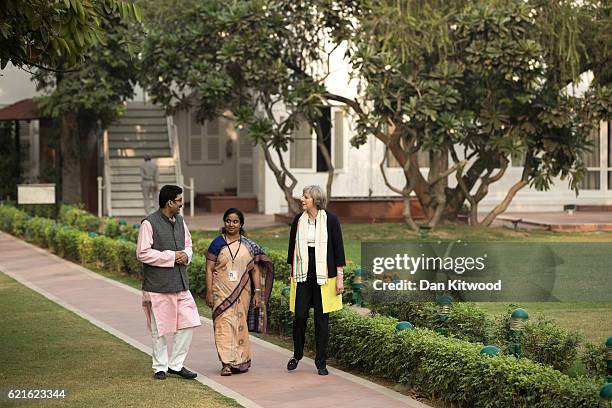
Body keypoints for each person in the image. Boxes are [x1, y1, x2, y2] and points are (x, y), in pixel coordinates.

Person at [136, 184, 200, 380]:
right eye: (179, 201)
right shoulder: (149, 223)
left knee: (189, 322)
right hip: (158, 286)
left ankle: (176, 364)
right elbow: (142, 253)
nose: (182, 204)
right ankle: (160, 367)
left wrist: (185, 255)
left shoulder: (180, 221)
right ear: (170, 202)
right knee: (160, 329)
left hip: (180, 283)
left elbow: (188, 245)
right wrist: (172, 257)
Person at [205, 208, 274, 376]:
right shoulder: (217, 243)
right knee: (223, 326)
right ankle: (226, 363)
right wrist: (208, 291)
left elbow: (255, 270)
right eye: (228, 221)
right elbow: (209, 268)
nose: (231, 224)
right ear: (224, 222)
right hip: (220, 290)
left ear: (241, 224)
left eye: (235, 221)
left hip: (243, 291)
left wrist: (258, 292)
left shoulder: (248, 245)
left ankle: (240, 360)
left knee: (239, 325)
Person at [286, 185, 345, 376]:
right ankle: (297, 354)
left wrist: (339, 278)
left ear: (316, 200)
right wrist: (291, 273)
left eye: (306, 197)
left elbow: (338, 250)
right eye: (303, 197)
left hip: (324, 273)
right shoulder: (298, 220)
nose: (302, 200)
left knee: (322, 319)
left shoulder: (331, 220)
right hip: (303, 271)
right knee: (299, 316)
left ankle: (321, 362)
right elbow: (291, 249)